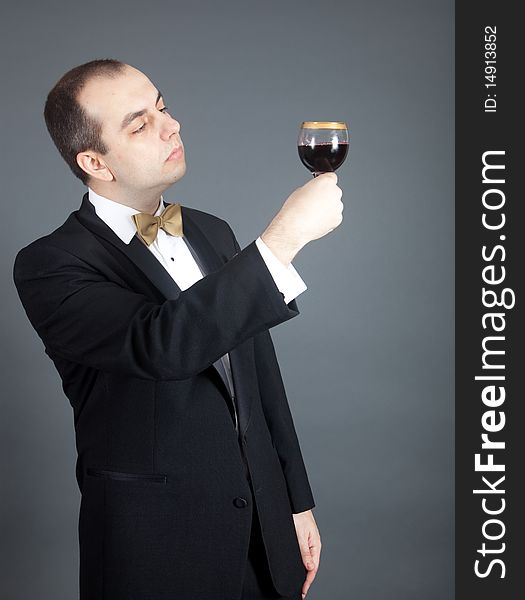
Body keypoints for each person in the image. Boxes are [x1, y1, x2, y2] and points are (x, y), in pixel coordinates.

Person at [12, 59, 343, 600]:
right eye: (139, 124)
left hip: (263, 531)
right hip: (154, 550)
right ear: (94, 161)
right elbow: (161, 344)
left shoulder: (212, 231)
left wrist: (295, 501)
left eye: (162, 108)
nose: (172, 126)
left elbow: (260, 376)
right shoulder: (50, 264)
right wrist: (283, 239)